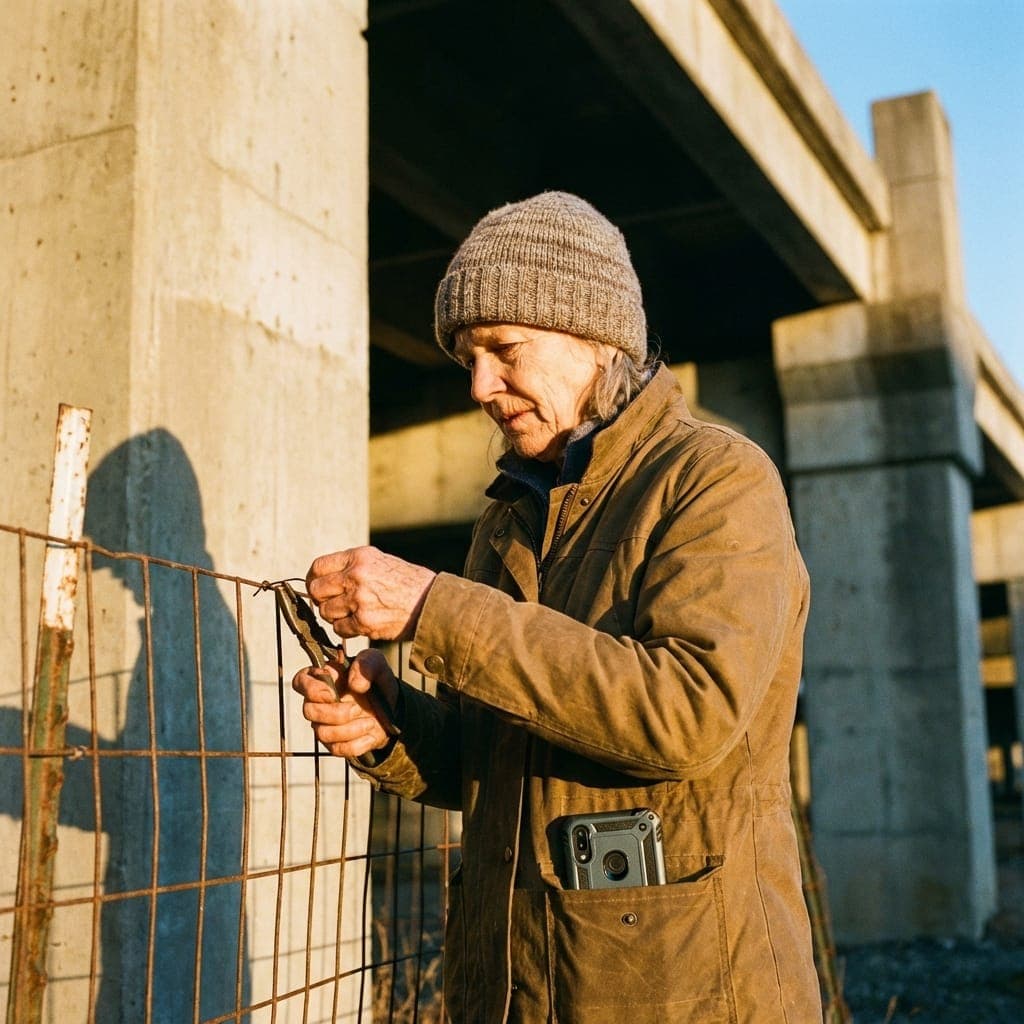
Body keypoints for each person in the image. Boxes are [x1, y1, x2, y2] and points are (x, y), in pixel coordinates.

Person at [292, 191, 822, 1022]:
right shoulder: (507, 518)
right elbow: (503, 758)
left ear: (597, 339)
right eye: (468, 358)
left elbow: (688, 715)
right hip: (512, 988)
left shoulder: (717, 479)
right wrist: (393, 732)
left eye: (504, 349)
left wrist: (435, 608)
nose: (480, 385)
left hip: (678, 993)